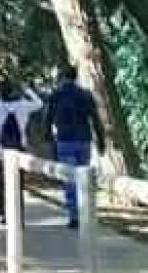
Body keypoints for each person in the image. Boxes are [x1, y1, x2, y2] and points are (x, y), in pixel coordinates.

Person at [44, 66, 106, 229]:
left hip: (65, 140)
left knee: (69, 179)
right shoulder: (85, 95)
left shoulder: (56, 95)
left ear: (62, 77)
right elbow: (95, 119)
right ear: (76, 77)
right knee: (83, 177)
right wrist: (101, 140)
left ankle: (74, 216)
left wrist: (48, 138)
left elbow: (48, 118)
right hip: (84, 140)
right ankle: (85, 211)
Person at [0, 82, 43, 223]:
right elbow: (39, 104)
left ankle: (3, 212)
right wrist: (27, 90)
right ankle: (18, 215)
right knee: (18, 184)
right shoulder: (23, 106)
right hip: (18, 150)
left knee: (2, 183)